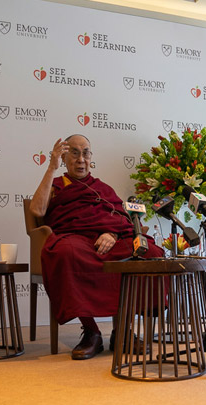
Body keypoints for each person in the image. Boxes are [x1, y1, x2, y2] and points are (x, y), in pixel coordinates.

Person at [30, 134, 164, 360]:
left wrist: (111, 233)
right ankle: (91, 332)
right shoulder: (57, 185)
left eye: (86, 153)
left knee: (148, 252)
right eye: (74, 153)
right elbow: (37, 211)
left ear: (91, 157)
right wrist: (51, 169)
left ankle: (123, 330)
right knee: (65, 252)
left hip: (109, 239)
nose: (81, 159)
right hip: (76, 238)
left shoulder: (101, 187)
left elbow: (122, 219)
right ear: (64, 157)